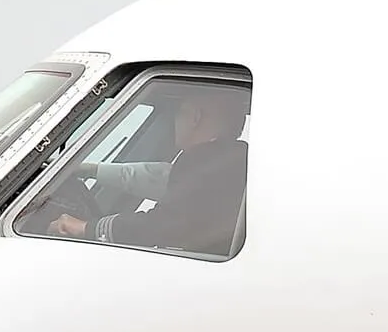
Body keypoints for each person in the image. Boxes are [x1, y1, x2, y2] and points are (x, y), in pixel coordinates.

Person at [50, 83, 248, 257]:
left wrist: (85, 228)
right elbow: (161, 177)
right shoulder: (234, 162)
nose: (175, 123)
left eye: (179, 113)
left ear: (195, 117)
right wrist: (89, 170)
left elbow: (167, 224)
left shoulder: (209, 161)